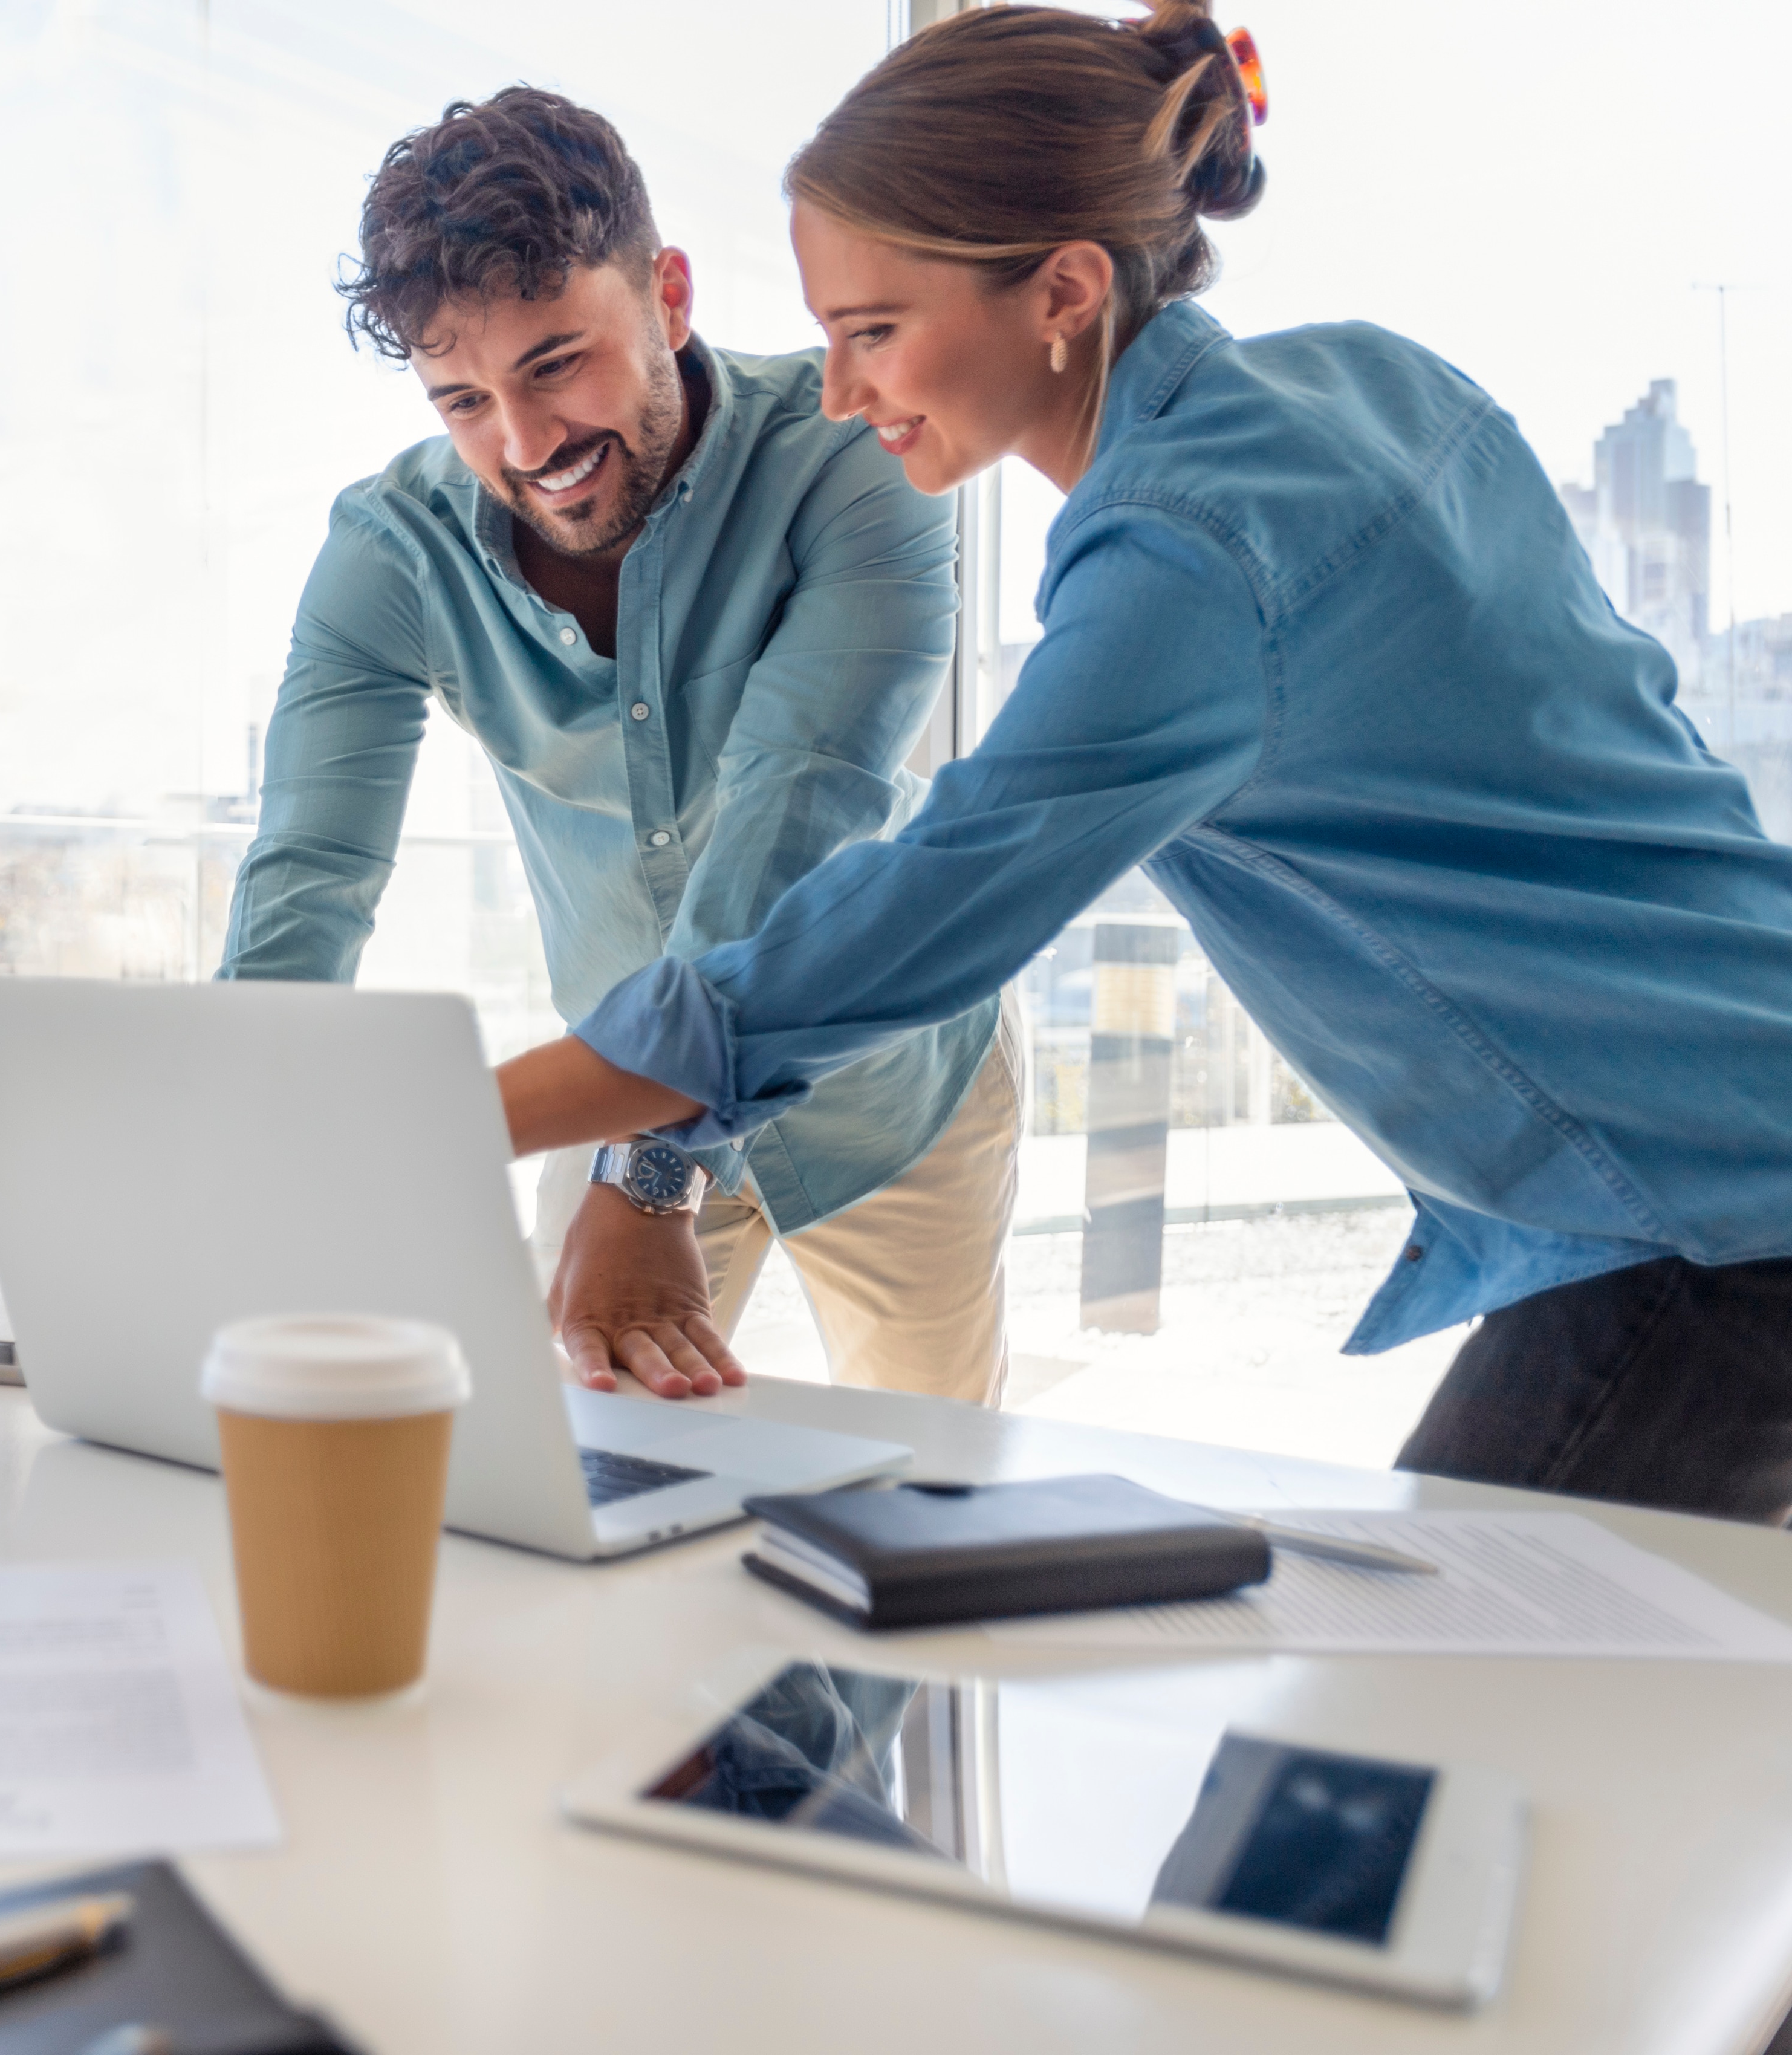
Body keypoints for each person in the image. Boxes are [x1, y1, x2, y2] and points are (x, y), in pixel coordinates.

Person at [496, 2, 1792, 1521]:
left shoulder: (1182, 555)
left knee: (1418, 1726)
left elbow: (914, 913)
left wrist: (449, 1121)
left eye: (873, 332)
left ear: (1062, 288)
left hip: (1708, 1209)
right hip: (1724, 1123)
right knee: (1493, 1727)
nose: (842, 394)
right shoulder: (1377, 384)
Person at [222, 88, 1022, 1407]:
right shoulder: (391, 551)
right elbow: (308, 877)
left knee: (925, 1492)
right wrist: (229, 1135)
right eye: (463, 399)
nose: (525, 446)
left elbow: (788, 819)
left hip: (889, 1103)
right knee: (590, 1488)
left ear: (668, 294)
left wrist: (651, 1169)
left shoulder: (849, 464)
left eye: (554, 364)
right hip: (611, 1116)